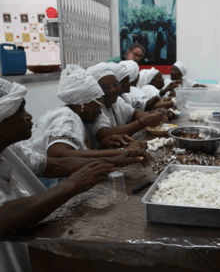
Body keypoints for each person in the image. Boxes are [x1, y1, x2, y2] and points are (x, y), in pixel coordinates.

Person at [0, 78, 149, 272]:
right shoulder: (67, 117)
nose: (28, 116)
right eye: (19, 111)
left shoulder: (10, 150)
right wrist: (70, 186)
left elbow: (55, 165)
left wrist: (117, 158)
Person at [22, 65, 152, 188]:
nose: (100, 111)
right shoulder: (66, 117)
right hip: (43, 187)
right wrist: (122, 153)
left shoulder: (73, 116)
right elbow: (59, 154)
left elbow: (76, 151)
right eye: (98, 105)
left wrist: (102, 148)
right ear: (83, 104)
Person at [85, 62, 165, 148]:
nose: (112, 90)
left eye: (115, 84)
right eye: (105, 87)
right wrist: (141, 123)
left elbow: (134, 113)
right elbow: (103, 134)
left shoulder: (117, 101)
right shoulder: (93, 107)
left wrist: (151, 118)